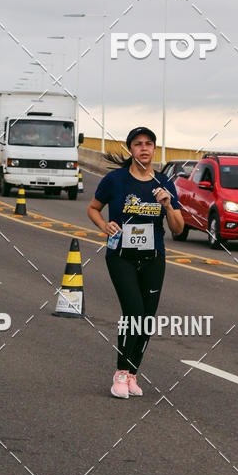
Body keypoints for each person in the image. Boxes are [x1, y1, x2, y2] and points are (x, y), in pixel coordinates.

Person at [87, 127, 184, 399]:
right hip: (121, 257)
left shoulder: (165, 183)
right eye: (138, 144)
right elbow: (93, 208)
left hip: (154, 258)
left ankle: (132, 374)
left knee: (146, 320)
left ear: (155, 149)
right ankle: (119, 373)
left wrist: (167, 205)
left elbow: (178, 228)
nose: (144, 148)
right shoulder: (115, 180)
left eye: (149, 144)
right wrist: (104, 225)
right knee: (134, 313)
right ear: (131, 149)